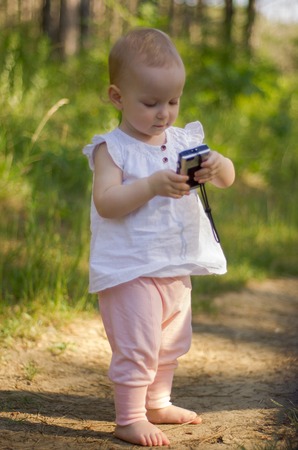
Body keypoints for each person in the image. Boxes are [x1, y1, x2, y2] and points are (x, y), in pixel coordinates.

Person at [83, 27, 235, 447]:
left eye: (173, 101)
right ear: (117, 97)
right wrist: (150, 185)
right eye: (150, 103)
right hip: (129, 267)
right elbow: (107, 202)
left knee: (171, 339)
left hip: (173, 261)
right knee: (138, 344)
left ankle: (158, 402)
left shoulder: (184, 139)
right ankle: (130, 417)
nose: (164, 112)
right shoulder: (111, 149)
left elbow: (228, 179)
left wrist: (216, 165)